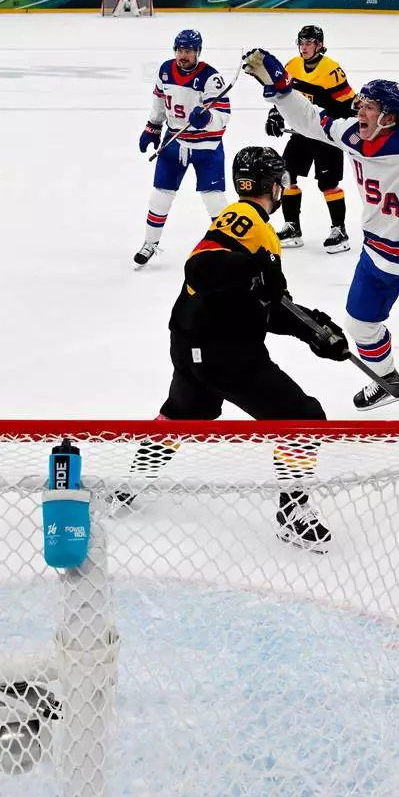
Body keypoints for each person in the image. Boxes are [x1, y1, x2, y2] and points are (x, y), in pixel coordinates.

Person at [243, 47, 399, 467]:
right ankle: (388, 377)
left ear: (390, 117)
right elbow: (310, 120)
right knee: (360, 326)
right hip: (376, 255)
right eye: (360, 103)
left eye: (369, 107)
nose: (359, 111)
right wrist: (280, 89)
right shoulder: (353, 135)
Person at [135, 146, 350, 552]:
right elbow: (200, 269)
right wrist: (255, 268)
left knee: (184, 413)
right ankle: (294, 513)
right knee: (302, 418)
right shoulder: (247, 220)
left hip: (190, 343)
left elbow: (265, 302)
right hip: (225, 353)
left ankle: (131, 482)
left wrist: (314, 330)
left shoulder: (248, 225)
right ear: (275, 185)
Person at [135, 29, 231, 268]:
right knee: (159, 197)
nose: (183, 55)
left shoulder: (211, 78)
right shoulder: (165, 70)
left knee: (214, 201)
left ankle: (229, 247)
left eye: (188, 51)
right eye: (179, 50)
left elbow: (224, 115)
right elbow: (159, 100)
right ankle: (150, 244)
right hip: (174, 141)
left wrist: (207, 119)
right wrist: (153, 127)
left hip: (206, 147)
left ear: (197, 52)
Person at [264, 25, 356, 253]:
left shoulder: (332, 70)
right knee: (287, 176)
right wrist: (275, 113)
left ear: (319, 45)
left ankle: (339, 230)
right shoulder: (292, 66)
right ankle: (292, 226)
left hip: (326, 134)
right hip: (301, 133)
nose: (304, 47)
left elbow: (349, 103)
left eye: (309, 43)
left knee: (328, 184)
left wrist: (351, 128)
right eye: (301, 43)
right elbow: (282, 95)